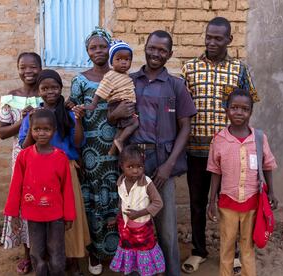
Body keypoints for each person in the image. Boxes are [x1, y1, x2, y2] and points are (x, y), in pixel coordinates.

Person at [109, 30, 197, 276]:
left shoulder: (176, 86)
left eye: (162, 50)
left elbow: (185, 127)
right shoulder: (129, 81)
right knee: (133, 220)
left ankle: (171, 272)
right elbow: (113, 114)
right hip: (133, 162)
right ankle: (136, 270)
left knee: (166, 226)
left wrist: (169, 164)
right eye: (152, 48)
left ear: (170, 54)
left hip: (162, 162)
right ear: (145, 48)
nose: (156, 53)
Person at [181, 17, 260, 274]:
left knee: (234, 203)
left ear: (229, 40)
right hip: (196, 150)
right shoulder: (189, 68)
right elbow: (181, 107)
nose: (212, 42)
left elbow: (249, 102)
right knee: (197, 202)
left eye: (218, 38)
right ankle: (198, 250)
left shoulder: (239, 70)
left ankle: (234, 252)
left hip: (231, 153)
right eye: (208, 37)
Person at [19, 69, 90, 276]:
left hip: (65, 169)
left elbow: (77, 143)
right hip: (39, 172)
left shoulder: (67, 114)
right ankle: (48, 262)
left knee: (69, 218)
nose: (50, 92)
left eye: (55, 87)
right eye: (45, 88)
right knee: (45, 217)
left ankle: (73, 261)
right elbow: (24, 147)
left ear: (61, 89)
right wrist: (33, 122)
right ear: (38, 91)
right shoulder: (34, 115)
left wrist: (77, 119)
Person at [207, 89, 278, 276]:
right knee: (227, 246)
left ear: (251, 112)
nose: (239, 113)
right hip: (227, 204)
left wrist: (271, 192)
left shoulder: (260, 138)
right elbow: (215, 171)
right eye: (234, 108)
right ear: (227, 110)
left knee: (248, 247)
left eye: (244, 109)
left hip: (252, 203)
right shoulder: (219, 139)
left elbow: (268, 165)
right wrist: (211, 200)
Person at [67, 27, 120, 275]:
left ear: (110, 48)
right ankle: (95, 254)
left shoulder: (119, 76)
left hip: (116, 151)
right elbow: (72, 109)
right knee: (93, 203)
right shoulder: (80, 80)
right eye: (93, 47)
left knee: (117, 198)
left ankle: (119, 252)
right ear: (87, 52)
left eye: (102, 46)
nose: (98, 51)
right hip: (90, 152)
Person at [4, 109, 76, 276]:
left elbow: (67, 188)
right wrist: (13, 214)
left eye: (46, 129)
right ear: (31, 130)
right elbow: (16, 186)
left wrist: (69, 215)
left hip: (56, 215)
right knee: (36, 253)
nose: (41, 133)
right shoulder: (24, 156)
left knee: (57, 253)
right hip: (33, 214)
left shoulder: (61, 157)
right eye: (37, 129)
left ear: (54, 131)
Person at [0, 52, 42, 275]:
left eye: (33, 67)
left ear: (40, 68)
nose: (28, 72)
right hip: (21, 158)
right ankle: (27, 253)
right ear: (18, 69)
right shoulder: (10, 98)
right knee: (24, 203)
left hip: (44, 157)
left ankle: (42, 252)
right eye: (23, 67)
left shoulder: (47, 95)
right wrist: (23, 121)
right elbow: (2, 133)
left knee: (44, 199)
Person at [110, 145, 165, 276]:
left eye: (139, 167)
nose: (135, 171)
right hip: (126, 230)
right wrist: (117, 217)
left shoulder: (147, 182)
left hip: (143, 230)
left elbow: (158, 203)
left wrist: (139, 213)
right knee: (131, 255)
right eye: (130, 167)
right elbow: (122, 203)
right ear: (121, 166)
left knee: (148, 254)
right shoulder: (120, 182)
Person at [84, 40, 139, 155]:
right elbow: (101, 90)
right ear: (111, 62)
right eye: (118, 59)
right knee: (134, 123)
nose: (123, 63)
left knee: (121, 128)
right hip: (119, 104)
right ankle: (119, 140)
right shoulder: (111, 75)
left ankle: (113, 149)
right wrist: (94, 103)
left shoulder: (124, 75)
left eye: (127, 59)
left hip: (123, 104)